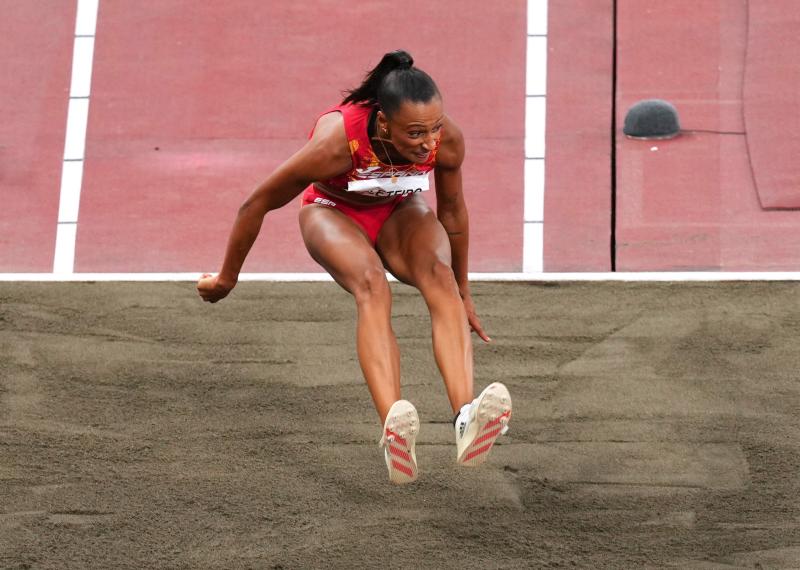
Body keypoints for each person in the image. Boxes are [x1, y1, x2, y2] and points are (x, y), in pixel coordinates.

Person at [197, 50, 511, 484]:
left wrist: (464, 290)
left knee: (440, 279)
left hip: (399, 209)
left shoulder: (446, 140)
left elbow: (453, 212)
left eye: (435, 128)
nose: (428, 143)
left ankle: (465, 417)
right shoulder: (335, 145)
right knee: (371, 284)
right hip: (332, 211)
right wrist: (226, 278)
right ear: (383, 124)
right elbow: (256, 203)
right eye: (415, 133)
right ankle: (395, 429)